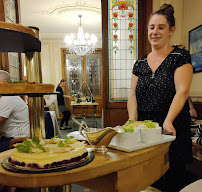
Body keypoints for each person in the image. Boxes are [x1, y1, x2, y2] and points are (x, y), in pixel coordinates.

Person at [127, 4, 193, 192]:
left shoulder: (180, 56)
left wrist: (168, 121)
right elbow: (132, 94)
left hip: (171, 127)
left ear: (171, 30)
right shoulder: (139, 62)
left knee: (172, 179)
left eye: (161, 27)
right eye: (152, 27)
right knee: (147, 178)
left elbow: (182, 91)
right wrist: (132, 120)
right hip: (145, 129)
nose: (155, 32)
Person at [0, 70, 30, 153]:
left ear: (4, 82)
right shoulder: (6, 96)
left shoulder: (8, 98)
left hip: (18, 140)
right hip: (8, 138)